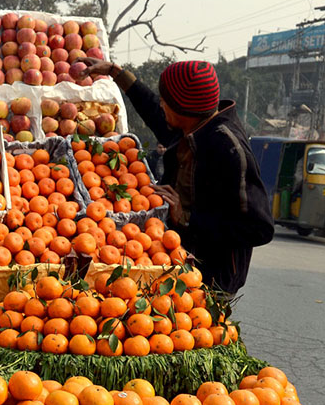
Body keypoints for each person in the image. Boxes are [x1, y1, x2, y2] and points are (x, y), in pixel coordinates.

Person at [79, 59, 274, 295]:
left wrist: (188, 217)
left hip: (209, 279)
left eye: (166, 101)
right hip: (169, 256)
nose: (161, 105)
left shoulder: (229, 149)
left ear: (184, 109)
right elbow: (154, 110)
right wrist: (117, 74)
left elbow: (259, 228)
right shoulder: (191, 126)